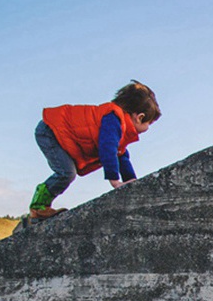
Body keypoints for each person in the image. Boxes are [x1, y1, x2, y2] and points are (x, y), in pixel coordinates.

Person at [29, 80, 161, 219]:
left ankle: (40, 209)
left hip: (57, 132)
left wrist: (132, 181)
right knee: (67, 173)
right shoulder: (113, 118)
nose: (148, 128)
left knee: (68, 172)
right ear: (139, 117)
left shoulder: (120, 127)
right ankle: (38, 207)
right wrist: (115, 181)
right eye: (149, 123)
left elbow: (121, 156)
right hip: (50, 131)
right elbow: (108, 149)